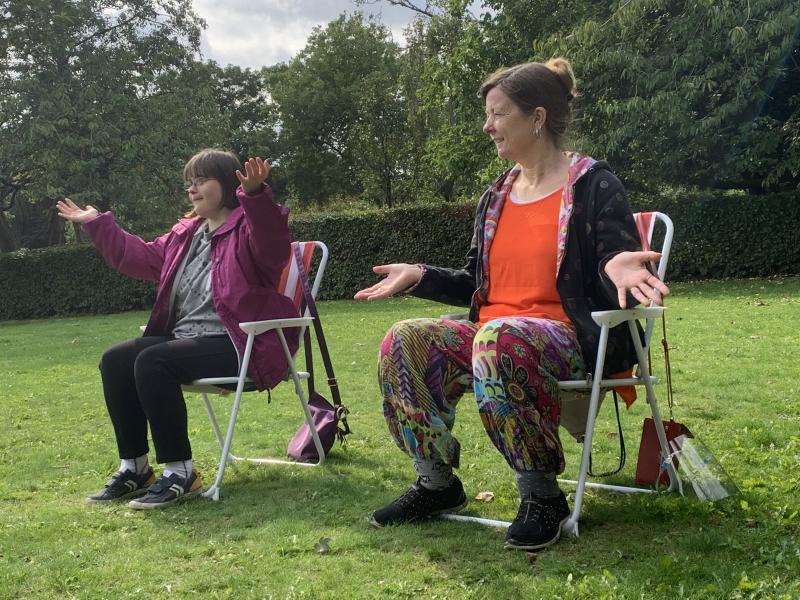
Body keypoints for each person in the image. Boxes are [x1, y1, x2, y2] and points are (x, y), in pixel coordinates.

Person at [354, 58, 670, 550]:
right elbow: (477, 284)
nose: (487, 125)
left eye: (498, 114)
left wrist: (617, 265)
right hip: (492, 334)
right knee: (405, 339)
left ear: (537, 118)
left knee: (498, 339)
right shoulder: (496, 197)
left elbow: (614, 259)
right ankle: (436, 482)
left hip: (565, 340)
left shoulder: (592, 185)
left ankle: (541, 494)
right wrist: (420, 275)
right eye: (488, 114)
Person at [57, 150, 299, 509]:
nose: (192, 189)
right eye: (189, 182)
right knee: (115, 360)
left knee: (153, 361)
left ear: (228, 182)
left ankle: (180, 472)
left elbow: (274, 245)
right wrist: (98, 223)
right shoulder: (185, 235)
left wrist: (255, 196)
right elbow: (137, 256)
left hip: (239, 343)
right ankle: (135, 468)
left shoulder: (248, 230)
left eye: (201, 180)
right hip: (189, 341)